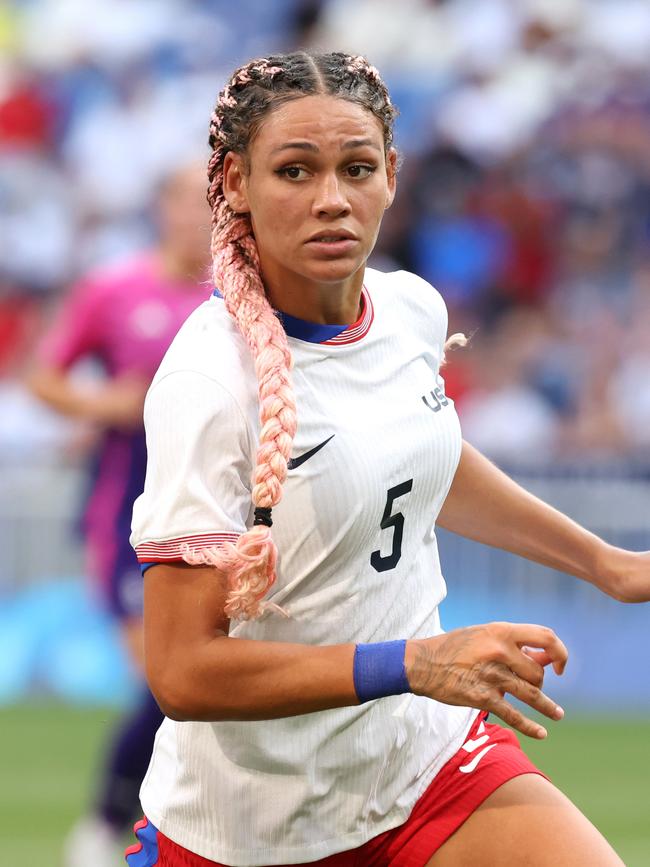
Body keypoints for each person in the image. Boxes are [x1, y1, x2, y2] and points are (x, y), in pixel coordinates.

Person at [126, 52, 649, 867]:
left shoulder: (411, 308)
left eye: (357, 168)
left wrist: (605, 563)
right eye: (294, 171)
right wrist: (414, 661)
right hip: (249, 828)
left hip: (426, 765)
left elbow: (418, 454)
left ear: (392, 175)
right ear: (234, 182)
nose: (332, 200)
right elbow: (182, 670)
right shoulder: (208, 380)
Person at [28, 162, 211, 867]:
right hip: (126, 519)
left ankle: (173, 829)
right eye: (191, 202)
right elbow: (45, 375)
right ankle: (109, 824)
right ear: (163, 208)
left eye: (215, 204)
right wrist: (104, 406)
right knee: (170, 684)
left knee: (199, 689)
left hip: (218, 519)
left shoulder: (241, 295)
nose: (203, 216)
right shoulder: (115, 289)